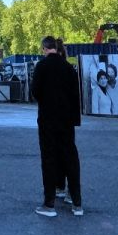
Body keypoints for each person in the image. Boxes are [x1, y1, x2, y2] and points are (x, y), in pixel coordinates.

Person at [32, 35, 83, 217]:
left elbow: (35, 92)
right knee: (70, 158)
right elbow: (76, 96)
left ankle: (49, 203)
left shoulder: (42, 66)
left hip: (48, 119)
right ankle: (77, 203)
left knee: (49, 159)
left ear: (44, 49)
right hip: (67, 120)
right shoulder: (69, 68)